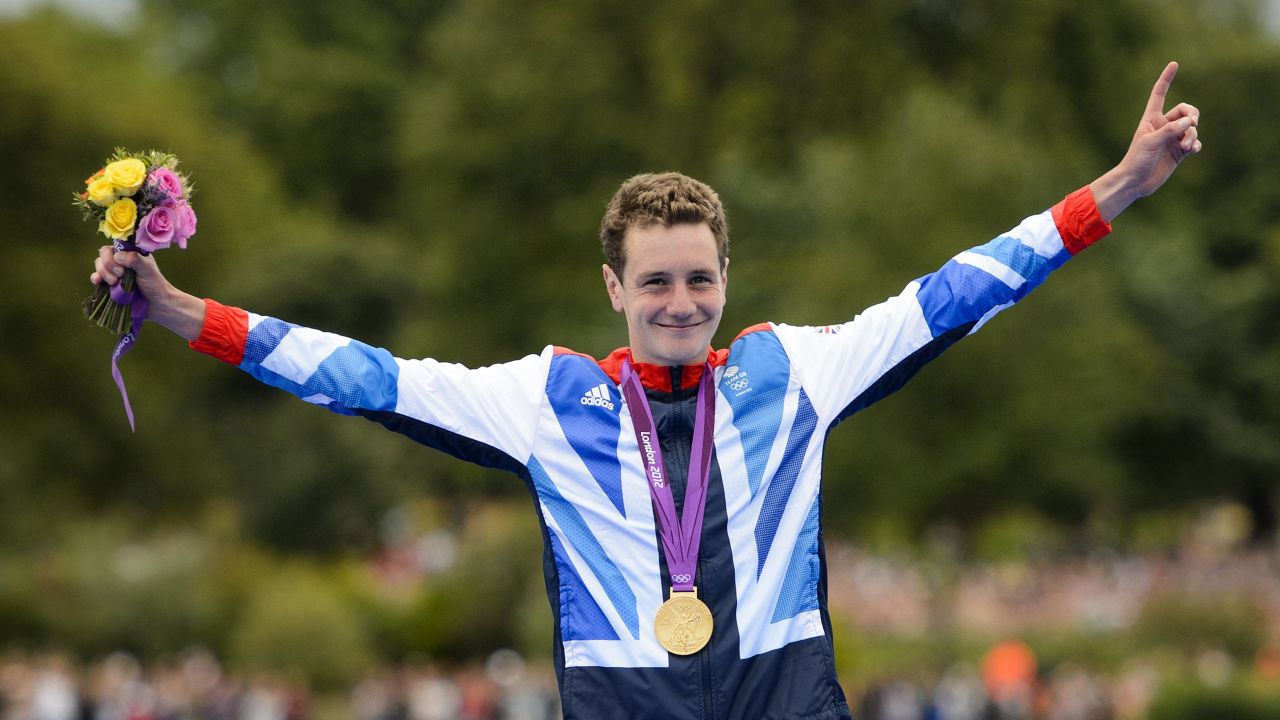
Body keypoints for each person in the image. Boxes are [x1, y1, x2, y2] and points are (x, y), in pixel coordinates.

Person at [91, 63, 1200, 720]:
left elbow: (959, 289)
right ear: (614, 286)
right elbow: (361, 376)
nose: (679, 299)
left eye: (699, 277)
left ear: (726, 280)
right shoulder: (544, 400)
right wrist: (183, 312)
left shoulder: (792, 372)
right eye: (656, 279)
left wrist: (1121, 185)